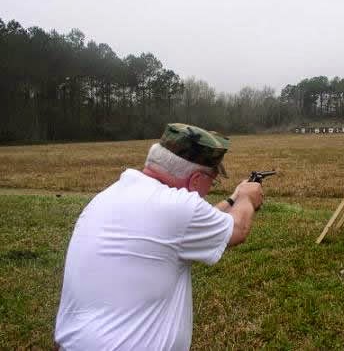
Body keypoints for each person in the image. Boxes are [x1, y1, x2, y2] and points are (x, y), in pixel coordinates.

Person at [54, 123, 263, 350]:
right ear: (195, 180)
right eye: (211, 181)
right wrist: (248, 198)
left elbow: (192, 222)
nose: (210, 188)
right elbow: (238, 229)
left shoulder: (117, 193)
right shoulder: (179, 208)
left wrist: (234, 198)